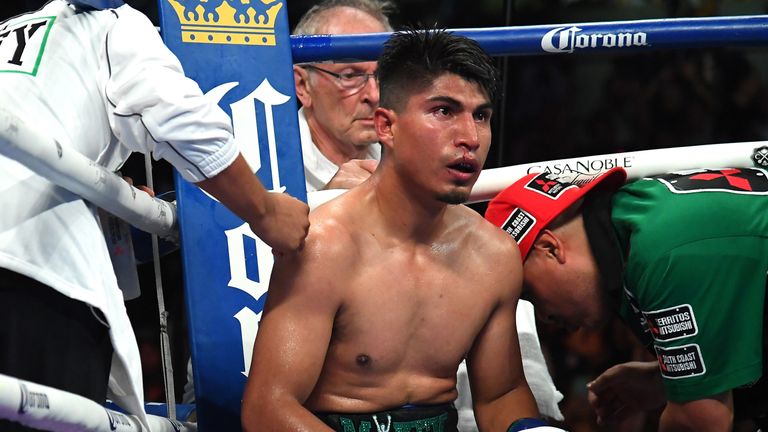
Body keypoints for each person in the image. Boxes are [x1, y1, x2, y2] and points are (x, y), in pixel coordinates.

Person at [0, 0, 309, 429]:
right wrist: (264, 210)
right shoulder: (113, 22)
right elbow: (178, 117)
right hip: (34, 273)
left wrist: (106, 185)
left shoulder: (13, 30)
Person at [241, 28, 563, 432]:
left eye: (480, 115)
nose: (470, 137)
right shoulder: (326, 245)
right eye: (444, 111)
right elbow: (268, 408)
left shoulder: (494, 254)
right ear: (386, 127)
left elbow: (500, 395)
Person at [484, 166, 768, 431]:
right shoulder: (636, 218)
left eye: (528, 293)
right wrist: (664, 381)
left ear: (550, 248)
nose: (543, 317)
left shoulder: (660, 252)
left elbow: (699, 420)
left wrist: (685, 396)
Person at [292, 0, 391, 192]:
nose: (374, 94)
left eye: (383, 75)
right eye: (350, 75)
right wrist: (327, 201)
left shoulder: (405, 157)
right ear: (303, 85)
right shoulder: (269, 165)